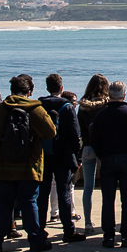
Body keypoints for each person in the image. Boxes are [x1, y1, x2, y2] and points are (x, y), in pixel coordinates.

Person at [0, 74, 57, 252]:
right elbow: (50, 132)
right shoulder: (36, 110)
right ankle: (36, 241)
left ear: (11, 90)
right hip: (29, 166)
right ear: (30, 91)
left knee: (3, 204)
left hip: (2, 165)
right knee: (29, 202)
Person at [88, 80, 127, 246]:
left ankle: (108, 236)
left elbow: (94, 139)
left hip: (107, 159)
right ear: (123, 95)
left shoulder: (101, 115)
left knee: (108, 199)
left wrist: (102, 155)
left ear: (109, 95)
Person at [37, 73, 87, 242]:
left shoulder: (38, 105)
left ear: (46, 87)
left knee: (42, 193)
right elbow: (75, 134)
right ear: (61, 88)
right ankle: (68, 230)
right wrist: (76, 156)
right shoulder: (67, 107)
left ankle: (39, 229)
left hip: (43, 155)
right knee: (63, 191)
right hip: (63, 155)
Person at [76, 75, 112, 229]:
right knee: (106, 186)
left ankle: (88, 222)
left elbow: (79, 129)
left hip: (88, 147)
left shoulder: (82, 106)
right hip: (104, 148)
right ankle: (106, 221)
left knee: (88, 187)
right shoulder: (107, 105)